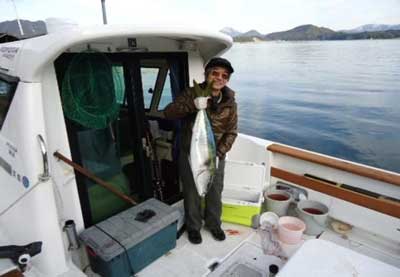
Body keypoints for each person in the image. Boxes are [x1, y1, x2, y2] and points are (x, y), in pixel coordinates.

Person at [164, 57, 238, 244]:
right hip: (192, 153)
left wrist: (219, 153)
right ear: (206, 74)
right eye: (215, 73)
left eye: (224, 76)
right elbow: (169, 112)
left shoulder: (230, 102)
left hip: (216, 156)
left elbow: (232, 132)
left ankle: (214, 224)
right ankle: (193, 227)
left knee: (215, 192)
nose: (220, 78)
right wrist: (193, 105)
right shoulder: (191, 94)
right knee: (191, 192)